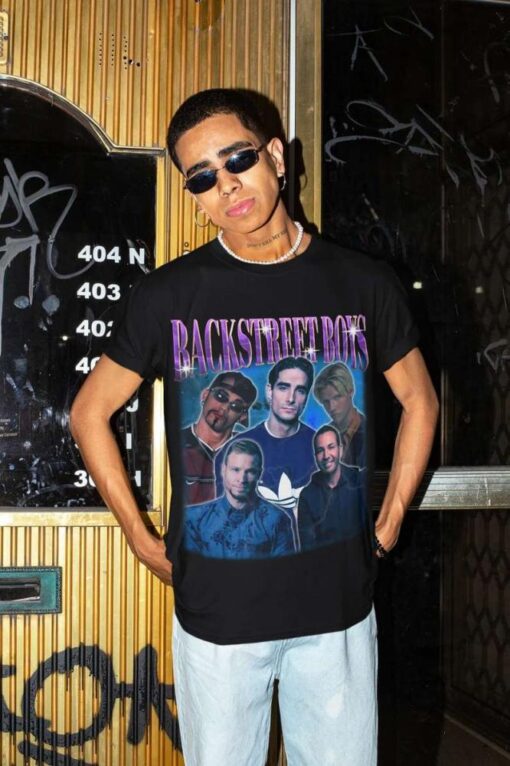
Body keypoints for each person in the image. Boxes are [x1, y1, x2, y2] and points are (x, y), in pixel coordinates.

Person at [69, 87, 438, 765]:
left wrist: (388, 524)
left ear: (276, 156)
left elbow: (420, 400)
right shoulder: (170, 294)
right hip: (219, 616)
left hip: (337, 611)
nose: (226, 185)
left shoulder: (361, 282)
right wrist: (140, 537)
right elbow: (88, 412)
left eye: (237, 160)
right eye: (202, 177)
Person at [214, 356, 316, 536]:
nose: (291, 398)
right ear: (270, 391)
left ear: (306, 396)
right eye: (283, 387)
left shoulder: (322, 448)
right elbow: (227, 525)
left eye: (300, 390)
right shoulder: (232, 451)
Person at [185, 439, 295, 558]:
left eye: (250, 471)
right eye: (235, 470)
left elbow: (283, 567)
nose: (242, 479)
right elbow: (193, 565)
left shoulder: (276, 519)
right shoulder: (194, 519)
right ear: (223, 470)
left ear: (259, 474)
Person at [181, 371, 257, 504]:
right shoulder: (176, 443)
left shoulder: (251, 452)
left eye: (235, 406)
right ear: (205, 395)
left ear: (242, 416)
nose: (224, 409)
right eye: (221, 396)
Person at [298, 424, 365, 551]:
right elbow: (308, 548)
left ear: (340, 450)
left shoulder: (359, 481)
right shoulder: (306, 496)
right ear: (315, 457)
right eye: (320, 450)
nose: (326, 455)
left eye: (331, 447)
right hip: (325, 560)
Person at [314, 361, 366, 467]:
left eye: (337, 397)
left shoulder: (368, 432)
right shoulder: (324, 436)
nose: (331, 407)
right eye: (326, 401)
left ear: (350, 392)